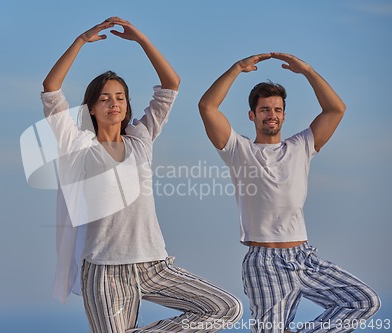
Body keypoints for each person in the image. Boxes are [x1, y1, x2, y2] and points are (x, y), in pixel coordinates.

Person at [41, 17, 242, 333]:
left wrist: (142, 40)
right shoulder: (77, 144)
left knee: (225, 309)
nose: (114, 103)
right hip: (104, 271)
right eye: (105, 98)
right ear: (91, 108)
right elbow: (51, 89)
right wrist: (80, 40)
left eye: (120, 97)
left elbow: (171, 84)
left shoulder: (141, 138)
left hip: (153, 264)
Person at [198, 52, 380, 333]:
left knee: (364, 301)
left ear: (284, 114)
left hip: (304, 257)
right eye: (265, 109)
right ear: (252, 115)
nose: (272, 115)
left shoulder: (301, 145)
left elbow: (335, 109)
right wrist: (236, 68)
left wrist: (307, 70)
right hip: (265, 262)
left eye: (277, 110)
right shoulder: (238, 150)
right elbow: (207, 107)